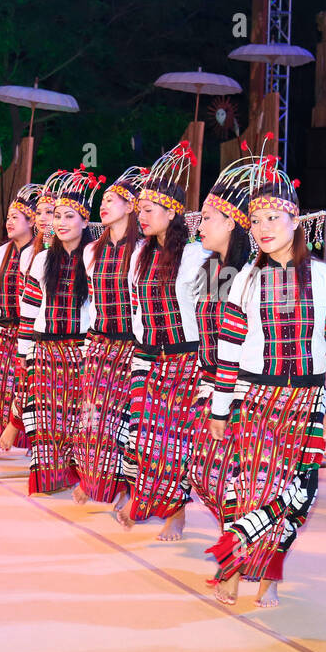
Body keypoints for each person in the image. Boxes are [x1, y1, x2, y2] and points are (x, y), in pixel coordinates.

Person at [203, 161, 326, 608]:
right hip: (256, 394)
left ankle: (269, 576)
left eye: (273, 218)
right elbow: (229, 348)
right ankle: (230, 567)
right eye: (257, 219)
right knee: (246, 486)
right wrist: (220, 407)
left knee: (295, 493)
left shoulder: (324, 277)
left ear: (295, 220)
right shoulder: (244, 278)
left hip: (309, 397)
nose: (264, 228)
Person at [116, 143, 211, 541]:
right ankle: (145, 495)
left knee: (177, 440)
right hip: (149, 357)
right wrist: (139, 355)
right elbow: (138, 309)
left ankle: (176, 512)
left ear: (172, 213)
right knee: (144, 434)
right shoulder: (138, 252)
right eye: (139, 209)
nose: (142, 215)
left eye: (148, 209)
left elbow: (206, 314)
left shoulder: (196, 255)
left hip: (186, 359)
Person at [16, 171, 96, 495]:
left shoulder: (94, 258)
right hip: (45, 350)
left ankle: (82, 477)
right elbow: (29, 309)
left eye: (69, 216)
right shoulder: (43, 259)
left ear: (84, 222)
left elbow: (100, 310)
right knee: (47, 419)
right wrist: (25, 353)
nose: (60, 222)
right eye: (57, 216)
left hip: (81, 350)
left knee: (79, 418)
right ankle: (50, 478)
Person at [73, 166, 146, 509]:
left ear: (131, 207)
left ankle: (127, 488)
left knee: (129, 421)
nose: (104, 205)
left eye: (112, 200)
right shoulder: (91, 251)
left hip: (132, 344)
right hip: (100, 342)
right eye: (103, 199)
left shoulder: (143, 249)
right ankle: (94, 480)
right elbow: (91, 304)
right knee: (94, 417)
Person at [188, 157, 256, 526]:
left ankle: (239, 548)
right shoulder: (209, 268)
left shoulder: (250, 274)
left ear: (231, 223)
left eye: (208, 217)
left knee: (233, 474)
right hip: (209, 382)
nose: (200, 224)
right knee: (203, 473)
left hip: (241, 388)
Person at [0, 184, 42, 446]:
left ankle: (23, 436)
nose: (9, 222)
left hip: (26, 330)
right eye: (7, 218)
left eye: (15, 217)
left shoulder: (37, 254)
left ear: (31, 222)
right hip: (2, 329)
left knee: (22, 383)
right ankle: (0, 430)